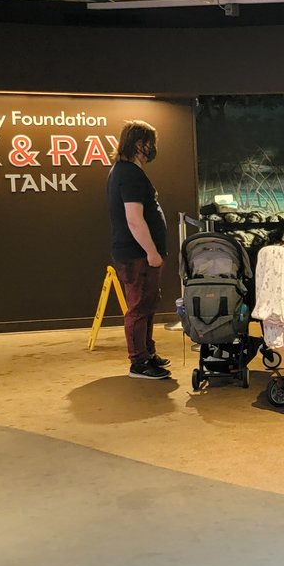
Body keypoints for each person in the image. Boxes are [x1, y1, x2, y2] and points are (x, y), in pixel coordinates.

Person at [107, 120, 171, 381]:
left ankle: (147, 353)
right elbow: (134, 219)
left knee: (147, 304)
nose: (153, 148)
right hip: (138, 255)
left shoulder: (123, 172)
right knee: (139, 308)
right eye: (150, 143)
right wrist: (152, 252)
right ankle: (139, 362)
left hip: (139, 254)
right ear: (139, 144)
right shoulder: (129, 174)